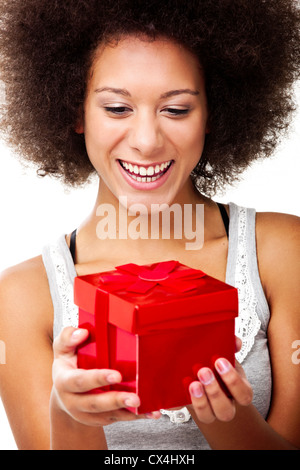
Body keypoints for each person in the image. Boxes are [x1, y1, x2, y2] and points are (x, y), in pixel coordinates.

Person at [0, 0, 299, 450]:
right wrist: (70, 413)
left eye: (176, 110)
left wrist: (227, 419)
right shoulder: (22, 298)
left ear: (213, 113)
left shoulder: (283, 253)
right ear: (74, 111)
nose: (145, 141)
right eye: (117, 108)